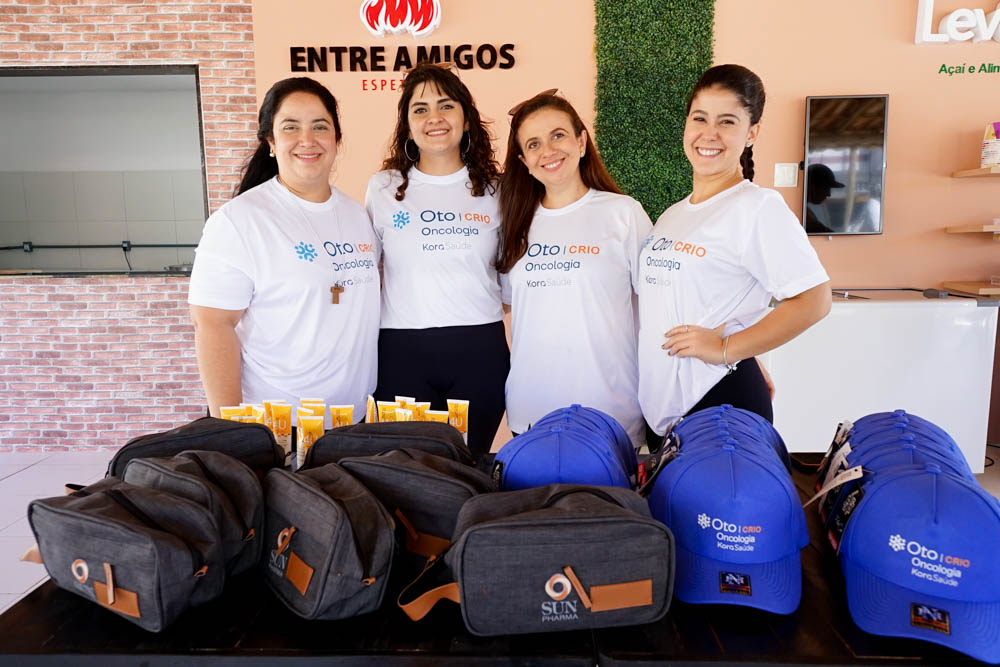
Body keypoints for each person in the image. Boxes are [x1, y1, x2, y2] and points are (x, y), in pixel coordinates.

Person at [638, 64, 832, 446]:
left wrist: (728, 349)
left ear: (751, 133)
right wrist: (747, 349)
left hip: (717, 400)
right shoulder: (673, 215)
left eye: (727, 121)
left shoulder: (757, 207)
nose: (709, 134)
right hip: (663, 406)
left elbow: (815, 300)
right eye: (700, 118)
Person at [189, 77, 380, 426]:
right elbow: (213, 325)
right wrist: (228, 428)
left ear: (337, 139)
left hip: (352, 421)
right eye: (291, 127)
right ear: (271, 142)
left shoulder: (357, 215)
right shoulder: (239, 221)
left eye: (320, 126)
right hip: (275, 425)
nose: (307, 139)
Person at [365, 62, 507, 460]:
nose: (434, 118)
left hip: (479, 348)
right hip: (400, 349)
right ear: (407, 125)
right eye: (420, 109)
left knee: (469, 465)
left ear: (466, 117)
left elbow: (508, 274)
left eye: (445, 106)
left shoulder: (497, 189)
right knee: (410, 473)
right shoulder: (384, 187)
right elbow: (367, 270)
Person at [497, 90, 652, 448]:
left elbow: (663, 298)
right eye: (533, 144)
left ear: (581, 142)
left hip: (611, 412)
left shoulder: (623, 213)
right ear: (523, 160)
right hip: (531, 411)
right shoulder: (513, 224)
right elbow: (505, 305)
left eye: (558, 135)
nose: (548, 151)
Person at [804, 163, 844, 233]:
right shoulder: (805, 216)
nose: (828, 194)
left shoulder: (805, 212)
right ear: (812, 187)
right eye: (826, 188)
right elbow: (820, 230)